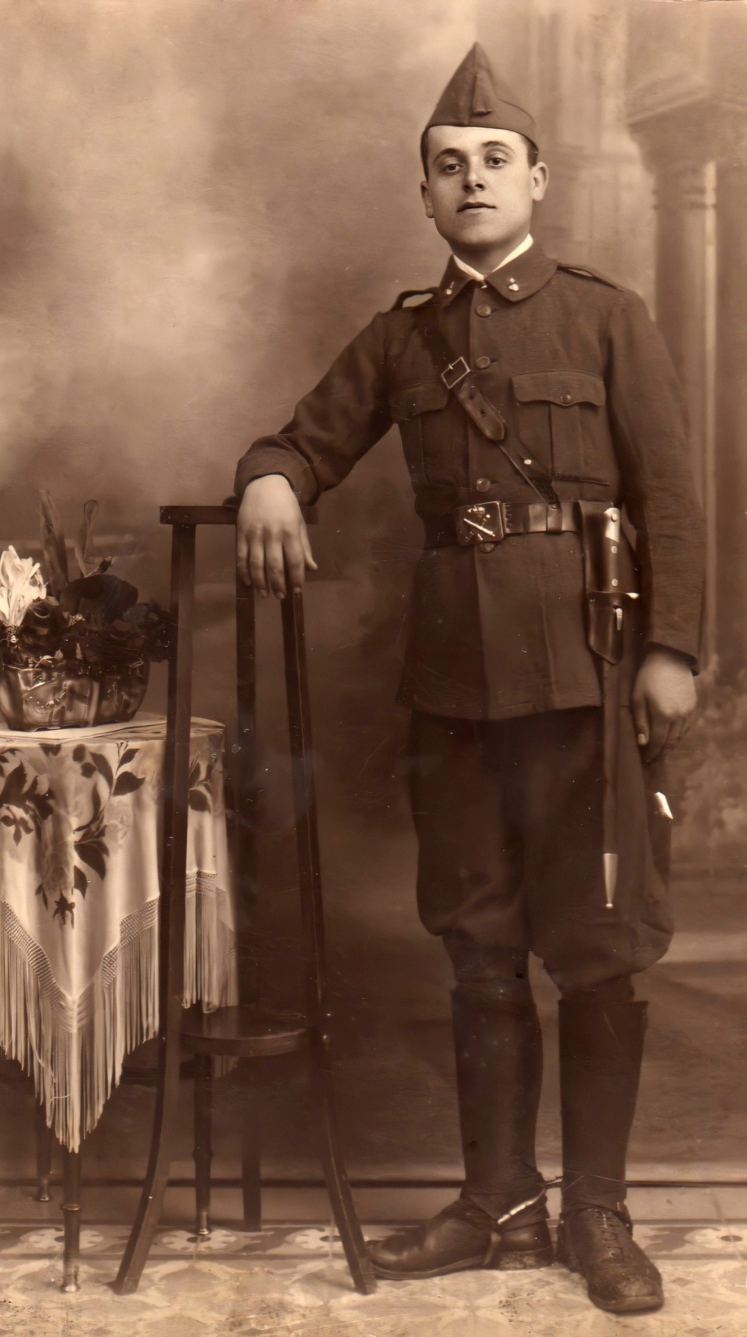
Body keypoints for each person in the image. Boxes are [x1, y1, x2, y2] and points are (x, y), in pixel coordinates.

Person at [232, 44, 704, 1315]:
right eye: (448, 167)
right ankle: (496, 1199)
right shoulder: (403, 338)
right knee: (478, 951)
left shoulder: (608, 315)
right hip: (452, 694)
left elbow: (672, 495)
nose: (472, 179)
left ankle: (594, 1212)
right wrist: (272, 476)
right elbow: (301, 434)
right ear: (426, 199)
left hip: (586, 683)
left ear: (537, 181)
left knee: (595, 953)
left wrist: (669, 649)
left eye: (495, 159)